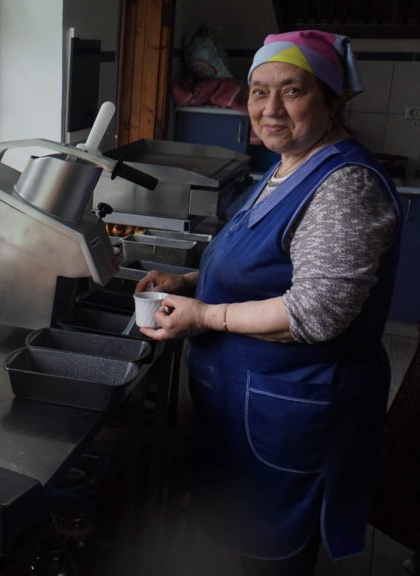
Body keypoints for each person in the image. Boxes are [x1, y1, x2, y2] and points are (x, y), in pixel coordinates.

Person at [135, 30, 401, 575]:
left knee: (274, 561)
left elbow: (314, 312)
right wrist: (191, 280)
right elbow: (266, 266)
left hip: (292, 410)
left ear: (332, 99)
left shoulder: (343, 185)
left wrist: (205, 315)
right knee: (246, 543)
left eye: (293, 91)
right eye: (258, 91)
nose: (270, 108)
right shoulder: (285, 166)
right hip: (252, 403)